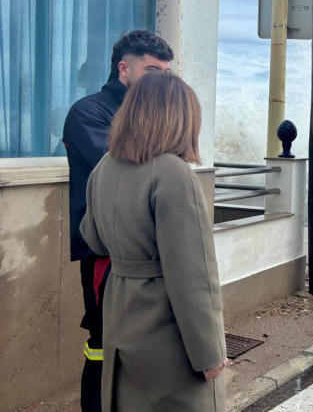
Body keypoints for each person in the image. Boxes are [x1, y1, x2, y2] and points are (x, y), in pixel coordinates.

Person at [80, 72, 227, 411]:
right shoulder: (173, 174)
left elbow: (94, 239)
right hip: (166, 335)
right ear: (180, 119)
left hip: (120, 319)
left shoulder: (104, 168)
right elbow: (194, 277)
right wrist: (210, 354)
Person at [62, 30, 173, 411]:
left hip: (150, 253)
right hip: (105, 252)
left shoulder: (150, 118)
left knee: (145, 345)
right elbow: (126, 172)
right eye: (153, 71)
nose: (162, 82)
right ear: (124, 69)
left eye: (167, 74)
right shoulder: (88, 112)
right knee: (103, 343)